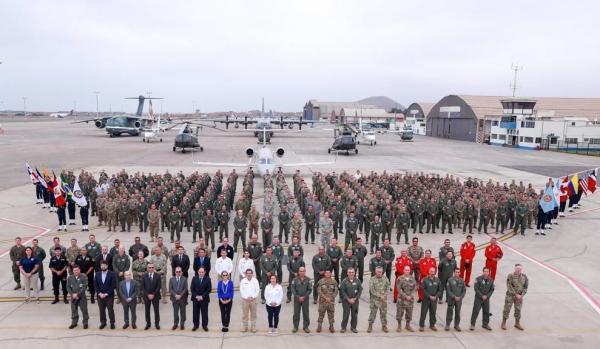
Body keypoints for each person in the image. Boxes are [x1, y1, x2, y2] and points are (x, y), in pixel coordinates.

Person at [502, 263, 528, 331]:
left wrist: (521, 295)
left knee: (518, 310)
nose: (518, 270)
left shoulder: (524, 277)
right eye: (517, 269)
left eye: (520, 269)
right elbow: (509, 286)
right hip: (510, 295)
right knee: (507, 309)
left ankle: (517, 323)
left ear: (521, 269)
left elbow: (525, 287)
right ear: (515, 269)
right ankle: (503, 323)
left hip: (519, 297)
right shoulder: (510, 276)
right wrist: (515, 294)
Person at [94, 260, 117, 329]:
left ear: (107, 266)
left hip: (109, 296)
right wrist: (100, 293)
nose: (103, 266)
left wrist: (106, 294)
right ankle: (103, 323)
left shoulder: (112, 274)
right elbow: (95, 285)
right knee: (101, 310)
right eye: (101, 265)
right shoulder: (97, 274)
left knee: (110, 310)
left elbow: (113, 286)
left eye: (104, 265)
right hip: (100, 296)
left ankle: (112, 323)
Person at [368, 266, 390, 333]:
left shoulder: (386, 279)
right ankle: (370, 325)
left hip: (383, 300)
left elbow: (388, 288)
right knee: (372, 313)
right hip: (374, 300)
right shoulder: (372, 279)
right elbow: (372, 290)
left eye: (380, 271)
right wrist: (380, 296)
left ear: (382, 272)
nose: (379, 273)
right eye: (378, 271)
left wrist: (384, 295)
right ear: (375, 271)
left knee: (383, 314)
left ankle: (384, 326)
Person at [339, 267, 362, 333]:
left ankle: (353, 327)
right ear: (347, 273)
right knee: (346, 315)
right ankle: (343, 328)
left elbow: (360, 290)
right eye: (349, 272)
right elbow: (342, 291)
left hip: (355, 301)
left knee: (354, 315)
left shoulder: (358, 281)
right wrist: (348, 299)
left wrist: (355, 298)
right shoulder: (344, 281)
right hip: (346, 301)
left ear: (354, 273)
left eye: (352, 272)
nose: (351, 274)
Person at [419, 266, 442, 332]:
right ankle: (421, 326)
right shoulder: (425, 279)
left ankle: (432, 325)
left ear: (435, 272)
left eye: (433, 271)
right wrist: (429, 296)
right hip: (426, 299)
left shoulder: (438, 280)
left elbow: (440, 290)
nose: (432, 273)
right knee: (423, 313)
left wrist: (436, 296)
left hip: (434, 299)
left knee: (433, 312)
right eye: (431, 271)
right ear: (429, 272)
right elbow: (423, 289)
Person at [291, 266, 312, 333]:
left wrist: (304, 297)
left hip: (305, 299)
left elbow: (310, 289)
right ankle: (295, 327)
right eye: (300, 271)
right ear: (298, 272)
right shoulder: (294, 280)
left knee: (306, 313)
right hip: (297, 299)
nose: (302, 272)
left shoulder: (308, 280)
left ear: (305, 272)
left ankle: (306, 327)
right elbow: (293, 289)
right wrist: (298, 297)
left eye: (303, 271)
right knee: (296, 313)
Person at [191, 266, 212, 331]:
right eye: (200, 272)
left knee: (204, 313)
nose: (201, 273)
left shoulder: (208, 279)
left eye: (202, 272)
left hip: (204, 299)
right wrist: (196, 296)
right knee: (195, 313)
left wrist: (202, 296)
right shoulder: (194, 278)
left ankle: (204, 325)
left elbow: (209, 289)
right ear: (198, 272)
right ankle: (195, 325)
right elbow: (192, 289)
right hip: (195, 299)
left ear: (205, 272)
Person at [240, 268, 260, 333]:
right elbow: (241, 290)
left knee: (253, 314)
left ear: (252, 274)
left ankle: (253, 327)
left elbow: (257, 290)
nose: (249, 274)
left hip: (253, 300)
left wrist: (253, 297)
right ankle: (244, 327)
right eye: (247, 273)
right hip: (245, 300)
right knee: (245, 314)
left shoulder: (255, 280)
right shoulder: (243, 281)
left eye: (250, 273)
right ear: (246, 274)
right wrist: (246, 297)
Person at [142, 263, 162, 330]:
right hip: (146, 296)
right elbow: (143, 287)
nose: (151, 269)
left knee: (156, 310)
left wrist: (153, 294)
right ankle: (148, 323)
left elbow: (159, 287)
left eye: (152, 267)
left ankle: (157, 323)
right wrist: (148, 294)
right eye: (149, 267)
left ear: (154, 268)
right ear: (147, 268)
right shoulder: (144, 276)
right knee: (147, 310)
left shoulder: (157, 276)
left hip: (155, 296)